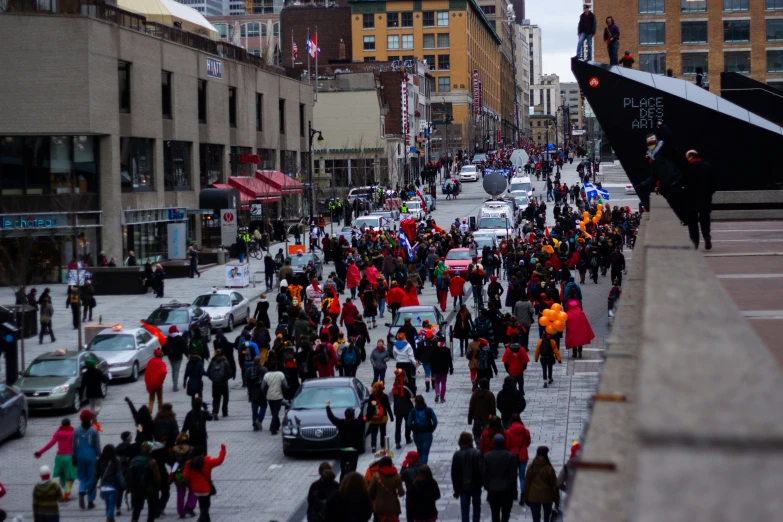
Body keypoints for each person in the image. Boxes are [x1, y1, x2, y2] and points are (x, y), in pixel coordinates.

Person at [35, 419, 76, 502]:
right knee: (71, 478)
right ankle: (66, 494)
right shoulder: (73, 433)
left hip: (59, 458)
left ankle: (65, 489)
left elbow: (50, 444)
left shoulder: (58, 433)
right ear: (69, 424)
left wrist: (40, 452)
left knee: (62, 477)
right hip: (69, 458)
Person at [183, 444, 226, 522]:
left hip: (195, 489)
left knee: (201, 504)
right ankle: (201, 518)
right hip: (205, 488)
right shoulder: (207, 461)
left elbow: (186, 476)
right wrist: (223, 450)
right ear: (202, 454)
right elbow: (219, 460)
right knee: (206, 505)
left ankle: (206, 519)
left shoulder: (189, 463)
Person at [326, 401, 367, 481]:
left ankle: (342, 484)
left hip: (343, 450)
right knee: (353, 471)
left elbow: (331, 417)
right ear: (353, 415)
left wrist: (327, 406)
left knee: (343, 470)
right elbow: (367, 417)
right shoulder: (358, 422)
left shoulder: (341, 423)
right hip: (354, 450)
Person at [685, 150, 717, 250]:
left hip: (691, 199)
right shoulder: (708, 167)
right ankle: (707, 236)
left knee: (692, 221)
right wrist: (708, 193)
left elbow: (683, 184)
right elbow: (714, 184)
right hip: (705, 198)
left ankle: (694, 243)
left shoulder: (687, 168)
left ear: (690, 157)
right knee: (705, 218)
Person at [482, 434, 518, 522]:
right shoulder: (510, 456)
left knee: (494, 513)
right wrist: (514, 489)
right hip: (507, 489)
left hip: (493, 489)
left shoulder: (487, 456)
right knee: (506, 512)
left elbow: (484, 474)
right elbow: (513, 474)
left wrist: (487, 486)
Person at [451, 432, 484, 522]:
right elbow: (481, 470)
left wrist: (456, 489)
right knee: (477, 506)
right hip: (476, 485)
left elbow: (454, 473)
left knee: (464, 508)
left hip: (462, 486)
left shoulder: (457, 455)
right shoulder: (477, 453)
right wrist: (483, 483)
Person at [73, 409, 101, 510]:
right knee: (92, 478)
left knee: (82, 477)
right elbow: (97, 446)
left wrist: (74, 456)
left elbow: (74, 445)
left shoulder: (76, 430)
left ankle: (81, 492)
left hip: (80, 456)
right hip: (91, 456)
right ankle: (90, 501)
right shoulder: (94, 431)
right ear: (90, 419)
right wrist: (99, 456)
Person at [524, 446, 560, 522]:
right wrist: (556, 499)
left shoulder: (531, 467)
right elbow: (554, 485)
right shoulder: (549, 468)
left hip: (533, 496)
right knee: (547, 517)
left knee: (536, 518)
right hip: (547, 496)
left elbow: (527, 483)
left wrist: (525, 497)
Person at [503, 413, 531, 505]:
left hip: (512, 456)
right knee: (522, 476)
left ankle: (514, 493)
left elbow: (507, 445)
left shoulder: (508, 432)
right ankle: (523, 494)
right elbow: (527, 443)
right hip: (523, 455)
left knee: (513, 476)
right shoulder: (525, 431)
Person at [367, 456, 405, 522]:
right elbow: (401, 493)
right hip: (393, 506)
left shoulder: (376, 476)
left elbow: (369, 491)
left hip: (380, 506)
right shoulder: (397, 476)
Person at [171, 434, 198, 518]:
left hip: (178, 473)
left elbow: (170, 460)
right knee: (192, 490)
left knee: (180, 492)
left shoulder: (173, 450)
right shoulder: (191, 449)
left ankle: (181, 512)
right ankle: (190, 507)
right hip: (189, 472)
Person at [96, 444, 125, 522]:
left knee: (107, 504)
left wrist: (92, 486)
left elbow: (97, 475)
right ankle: (109, 517)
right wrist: (124, 485)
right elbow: (119, 475)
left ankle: (109, 517)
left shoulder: (100, 461)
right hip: (113, 487)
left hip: (104, 486)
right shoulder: (116, 461)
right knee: (112, 504)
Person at [407, 395, 437, 464]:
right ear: (423, 401)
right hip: (427, 434)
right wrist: (431, 429)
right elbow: (435, 422)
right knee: (425, 453)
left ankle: (419, 465)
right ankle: (423, 466)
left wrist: (414, 429)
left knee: (419, 450)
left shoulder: (413, 411)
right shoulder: (429, 410)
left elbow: (409, 423)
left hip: (417, 434)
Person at [366, 382, 393, 452]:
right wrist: (391, 416)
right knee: (383, 431)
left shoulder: (372, 396)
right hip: (382, 417)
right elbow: (388, 407)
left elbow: (369, 407)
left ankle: (373, 446)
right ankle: (383, 444)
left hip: (374, 417)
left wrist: (368, 417)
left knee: (374, 432)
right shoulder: (384, 396)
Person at [262, 362, 288, 435]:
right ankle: (273, 428)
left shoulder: (266, 375)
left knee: (273, 411)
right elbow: (285, 385)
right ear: (276, 366)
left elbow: (262, 387)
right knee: (276, 412)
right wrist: (283, 392)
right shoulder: (280, 374)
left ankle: (276, 425)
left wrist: (266, 393)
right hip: (278, 396)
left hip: (269, 396)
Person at [468, 378, 496, 443]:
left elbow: (471, 408)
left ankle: (478, 446)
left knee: (477, 435)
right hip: (487, 419)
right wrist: (492, 419)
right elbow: (493, 410)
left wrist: (470, 420)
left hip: (477, 419)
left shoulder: (475, 394)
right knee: (487, 436)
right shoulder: (490, 395)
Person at [207, 349, 231, 418]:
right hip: (224, 383)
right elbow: (229, 373)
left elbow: (208, 373)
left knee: (216, 398)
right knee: (225, 398)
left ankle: (215, 412)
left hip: (215, 384)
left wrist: (213, 379)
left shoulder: (212, 362)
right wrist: (225, 379)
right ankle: (224, 412)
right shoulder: (225, 362)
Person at [245, 356, 268, 431]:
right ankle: (259, 419)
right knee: (263, 406)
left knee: (254, 408)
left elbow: (245, 379)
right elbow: (266, 380)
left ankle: (255, 425)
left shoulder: (249, 369)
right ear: (260, 361)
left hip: (252, 391)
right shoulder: (264, 369)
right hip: (261, 391)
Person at [430, 332, 454, 403]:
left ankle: (437, 392)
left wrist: (432, 368)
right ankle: (442, 398)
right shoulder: (447, 350)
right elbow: (450, 360)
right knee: (443, 383)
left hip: (437, 369)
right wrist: (451, 368)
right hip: (444, 369)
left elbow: (432, 360)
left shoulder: (434, 350)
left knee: (436, 382)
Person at [164, 325, 187, 392]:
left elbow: (164, 347)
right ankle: (175, 386)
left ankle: (174, 383)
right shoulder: (180, 338)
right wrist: (187, 355)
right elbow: (184, 347)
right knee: (176, 370)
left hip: (170, 357)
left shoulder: (168, 338)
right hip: (178, 357)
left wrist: (166, 353)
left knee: (174, 369)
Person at [144, 349, 167, 414]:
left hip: (151, 383)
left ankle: (149, 412)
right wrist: (161, 379)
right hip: (158, 383)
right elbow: (164, 371)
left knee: (151, 399)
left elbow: (147, 372)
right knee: (160, 399)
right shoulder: (161, 363)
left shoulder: (150, 361)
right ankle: (160, 412)